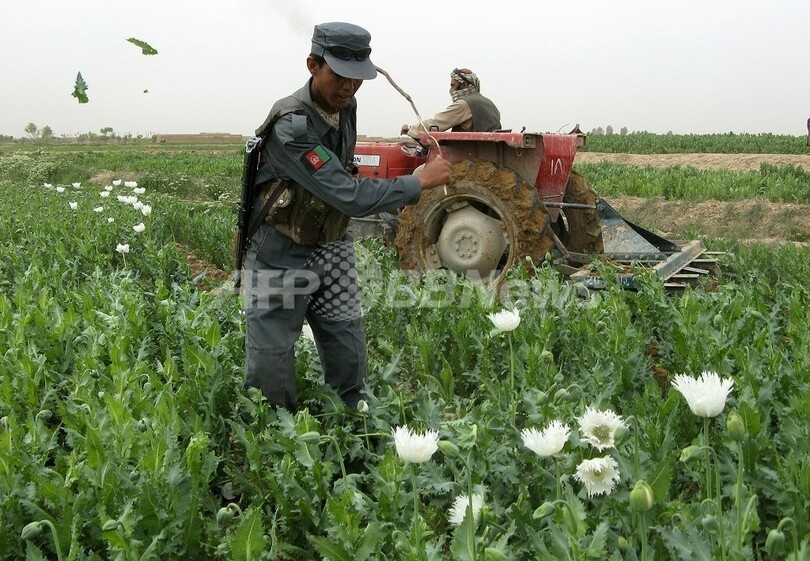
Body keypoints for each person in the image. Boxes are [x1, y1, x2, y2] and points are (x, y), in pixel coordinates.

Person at [243, 21, 451, 412]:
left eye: (357, 80)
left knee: (347, 348)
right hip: (280, 253)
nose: (349, 88)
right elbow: (349, 195)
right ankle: (276, 440)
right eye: (340, 77)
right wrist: (418, 182)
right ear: (312, 65)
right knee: (270, 365)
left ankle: (355, 423)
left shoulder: (346, 105)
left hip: (332, 244)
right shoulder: (291, 125)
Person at [400, 68, 502, 138]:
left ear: (464, 84)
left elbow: (436, 124)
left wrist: (410, 129)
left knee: (419, 170)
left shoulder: (464, 104)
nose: (451, 90)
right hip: (489, 155)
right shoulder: (490, 104)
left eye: (453, 85)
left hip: (467, 157)